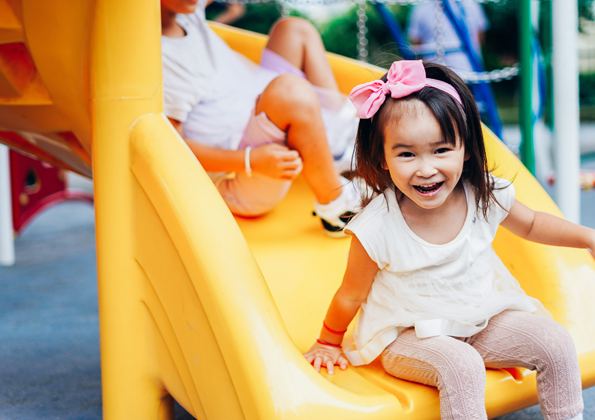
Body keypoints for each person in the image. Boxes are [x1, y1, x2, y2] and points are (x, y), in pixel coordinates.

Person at [303, 60, 595, 419]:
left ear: (467, 148)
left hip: (480, 318)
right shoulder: (377, 226)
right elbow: (351, 293)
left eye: (441, 150)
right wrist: (327, 342)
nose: (426, 168)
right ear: (382, 158)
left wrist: (588, 237)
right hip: (407, 336)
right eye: (406, 154)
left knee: (554, 342)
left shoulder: (482, 193)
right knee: (461, 366)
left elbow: (532, 224)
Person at [161, 0, 360, 236]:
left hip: (251, 100)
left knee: (293, 30)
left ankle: (341, 140)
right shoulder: (157, 59)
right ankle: (337, 207)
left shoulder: (185, 13)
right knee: (289, 91)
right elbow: (172, 149)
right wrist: (250, 160)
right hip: (243, 168)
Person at [407, 0, 488, 74]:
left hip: (465, 71)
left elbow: (415, 43)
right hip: (440, 73)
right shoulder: (471, 4)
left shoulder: (420, 7)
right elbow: (480, 37)